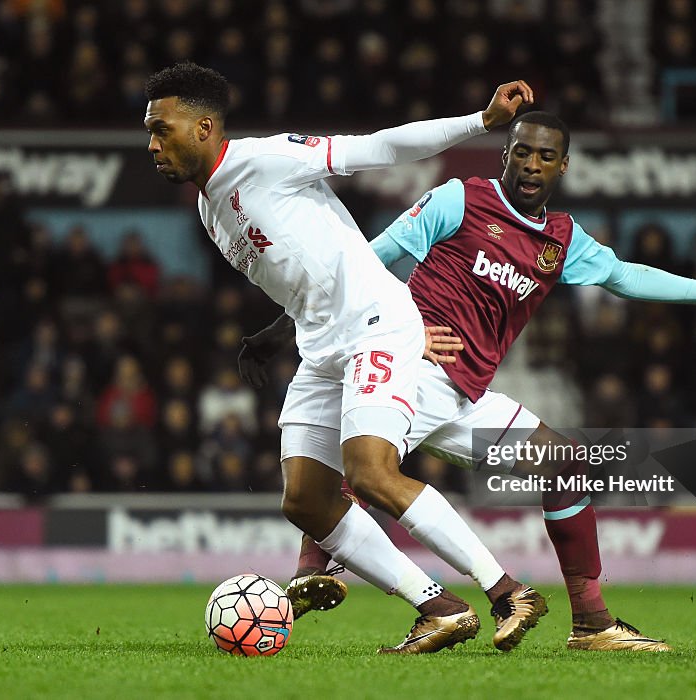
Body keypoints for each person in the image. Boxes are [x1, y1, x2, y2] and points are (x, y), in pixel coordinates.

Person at [240, 110, 696, 652]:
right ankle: (344, 570)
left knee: (565, 466)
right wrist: (282, 327)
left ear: (563, 166)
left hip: (462, 396)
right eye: (521, 151)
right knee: (369, 465)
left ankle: (590, 624)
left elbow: (626, 277)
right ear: (505, 155)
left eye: (545, 156)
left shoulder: (562, 241)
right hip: (414, 368)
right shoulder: (460, 200)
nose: (531, 164)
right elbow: (370, 259)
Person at [143, 62, 547, 654]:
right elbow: (307, 275)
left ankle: (507, 590)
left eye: (162, 130)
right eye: (149, 132)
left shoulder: (268, 159)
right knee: (305, 500)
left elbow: (382, 147)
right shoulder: (209, 208)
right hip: (322, 346)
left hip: (375, 326)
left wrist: (481, 122)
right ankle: (438, 607)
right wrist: (273, 335)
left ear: (204, 128)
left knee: (370, 473)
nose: (152, 144)